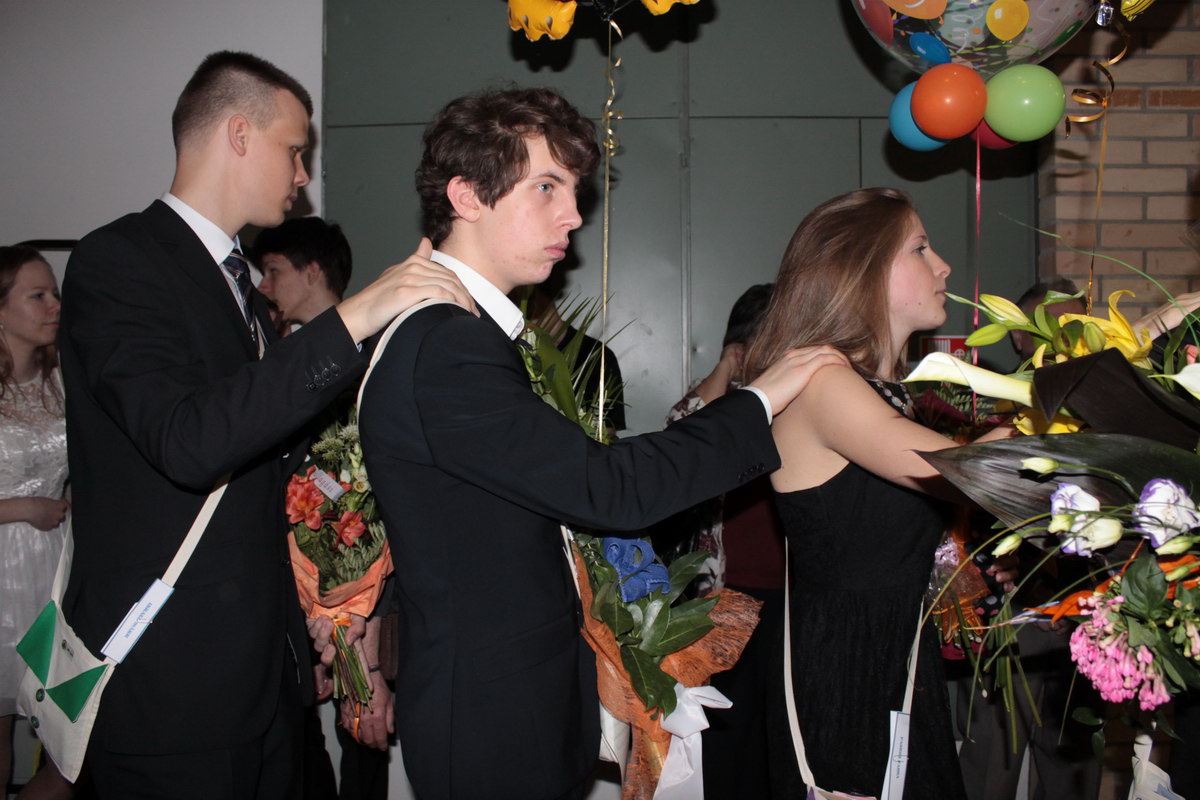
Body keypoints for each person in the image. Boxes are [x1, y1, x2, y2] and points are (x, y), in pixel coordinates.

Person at [350, 86, 845, 800]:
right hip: (492, 716)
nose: (574, 215)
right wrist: (760, 399)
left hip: (504, 700)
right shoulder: (448, 344)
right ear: (466, 196)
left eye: (574, 191)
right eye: (546, 187)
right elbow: (608, 488)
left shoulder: (457, 334)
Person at [58, 51, 472, 799]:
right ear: (239, 134)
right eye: (295, 149)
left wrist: (318, 618)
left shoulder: (242, 286)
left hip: (265, 678)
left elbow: (265, 474)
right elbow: (188, 442)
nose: (303, 174)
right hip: (172, 685)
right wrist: (355, 316)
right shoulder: (118, 260)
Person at [745, 187, 1012, 799]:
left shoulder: (879, 390)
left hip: (891, 655)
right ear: (860, 270)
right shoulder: (826, 385)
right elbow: (966, 472)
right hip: (851, 671)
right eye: (920, 248)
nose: (943, 266)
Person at [251, 216, 394, 800]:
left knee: (363, 739)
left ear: (313, 272)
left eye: (273, 271)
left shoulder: (377, 358)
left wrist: (361, 618)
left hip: (371, 586)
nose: (264, 286)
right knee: (292, 746)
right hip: (278, 587)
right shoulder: (265, 358)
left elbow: (379, 493)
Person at [663, 283, 785, 799]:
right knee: (729, 730)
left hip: (793, 593)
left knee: (779, 730)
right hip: (727, 596)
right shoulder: (730, 406)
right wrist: (729, 365)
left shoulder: (801, 395)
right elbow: (679, 427)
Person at [0, 246, 72, 800]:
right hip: (4, 573)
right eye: (38, 295)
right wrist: (23, 508)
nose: (54, 305)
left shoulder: (61, 380)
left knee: (69, 742)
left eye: (55, 293)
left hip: (57, 570)